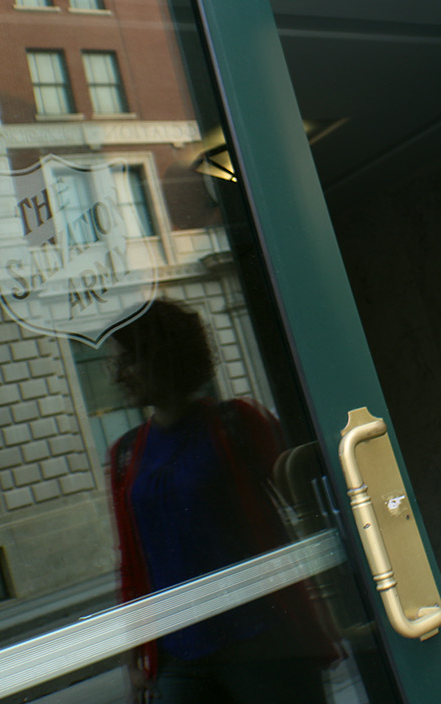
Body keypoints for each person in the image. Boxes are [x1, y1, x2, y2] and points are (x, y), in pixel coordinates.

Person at [107, 299, 333, 704]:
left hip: (262, 643)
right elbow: (132, 564)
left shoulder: (237, 422)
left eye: (130, 361)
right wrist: (133, 659)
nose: (119, 375)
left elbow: (310, 503)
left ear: (162, 357)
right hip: (180, 657)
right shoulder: (124, 455)